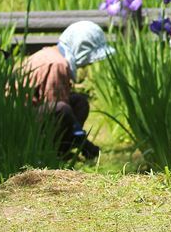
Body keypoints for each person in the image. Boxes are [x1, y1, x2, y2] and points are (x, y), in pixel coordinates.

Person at [22, 20, 114, 159]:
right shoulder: (57, 64)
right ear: (81, 48)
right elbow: (57, 108)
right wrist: (83, 141)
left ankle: (62, 149)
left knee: (79, 102)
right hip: (21, 119)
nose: (89, 63)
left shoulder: (54, 54)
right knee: (62, 109)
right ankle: (48, 152)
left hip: (35, 112)